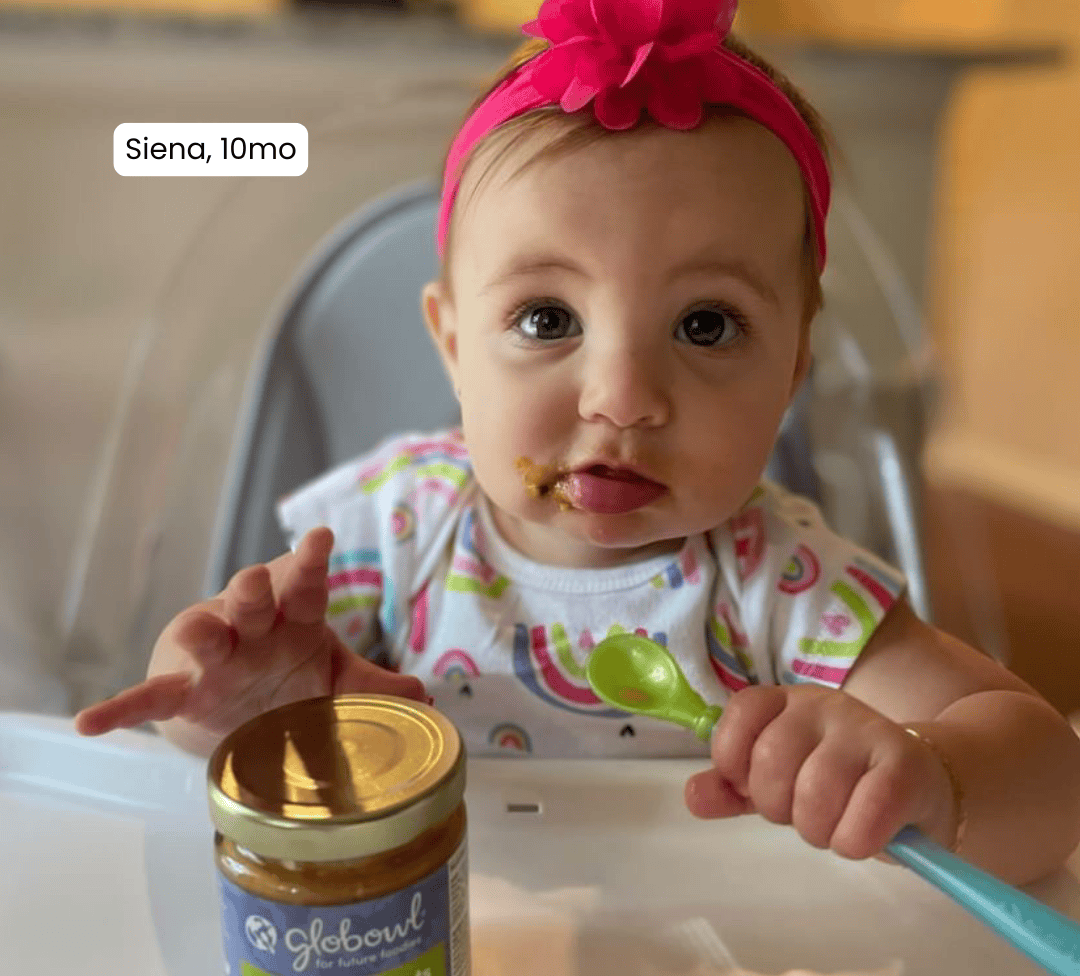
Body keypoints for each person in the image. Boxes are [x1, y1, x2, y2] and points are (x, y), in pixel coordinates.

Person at [75, 0, 1080, 885]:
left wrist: (932, 778)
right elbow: (197, 722)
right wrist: (230, 713)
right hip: (435, 963)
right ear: (453, 343)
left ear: (793, 371)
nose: (623, 398)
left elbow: (1047, 775)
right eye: (549, 320)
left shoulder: (782, 587)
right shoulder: (389, 536)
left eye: (706, 325)